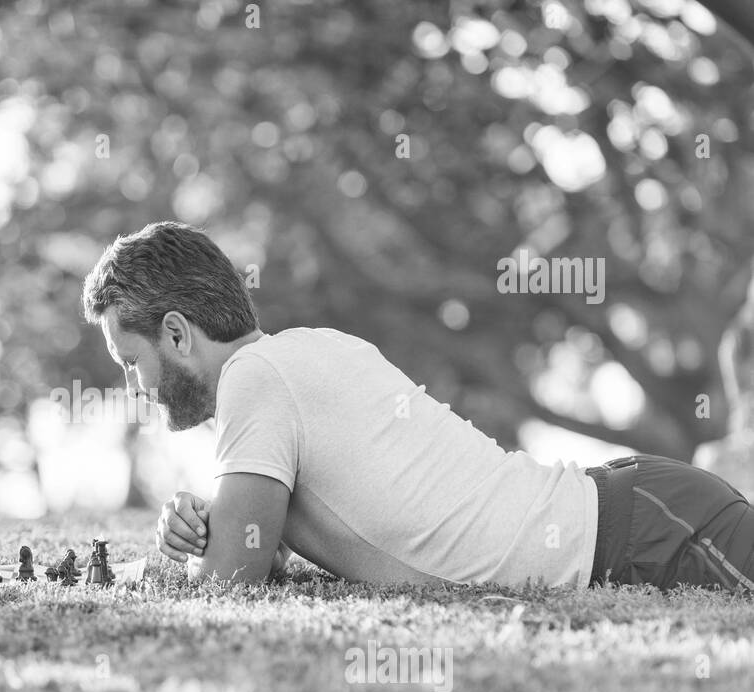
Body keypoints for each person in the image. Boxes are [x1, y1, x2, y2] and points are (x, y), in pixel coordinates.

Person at [81, 221, 754, 592]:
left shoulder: (256, 378)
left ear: (175, 333)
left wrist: (166, 566)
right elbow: (264, 553)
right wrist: (209, 523)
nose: (136, 386)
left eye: (131, 362)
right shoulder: (296, 357)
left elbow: (229, 581)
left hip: (645, 528)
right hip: (638, 512)